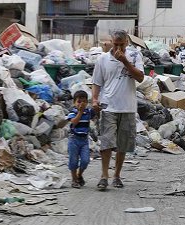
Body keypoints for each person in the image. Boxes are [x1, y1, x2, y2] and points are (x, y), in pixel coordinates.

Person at [91, 30, 144, 190]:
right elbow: (96, 82)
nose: (118, 48)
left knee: (122, 144)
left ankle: (117, 175)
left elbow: (140, 77)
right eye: (116, 44)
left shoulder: (135, 56)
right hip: (108, 106)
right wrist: (94, 99)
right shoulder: (103, 59)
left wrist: (126, 62)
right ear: (111, 42)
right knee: (106, 142)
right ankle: (104, 176)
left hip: (127, 107)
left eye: (122, 44)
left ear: (127, 43)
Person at [67, 90, 95, 188]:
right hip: (73, 140)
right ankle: (74, 179)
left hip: (84, 140)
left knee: (85, 161)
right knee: (73, 161)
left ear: (87, 102)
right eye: (78, 102)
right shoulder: (72, 112)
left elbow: (96, 112)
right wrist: (80, 112)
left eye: (83, 102)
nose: (81, 104)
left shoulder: (88, 112)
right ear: (74, 102)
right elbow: (74, 122)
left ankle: (79, 175)